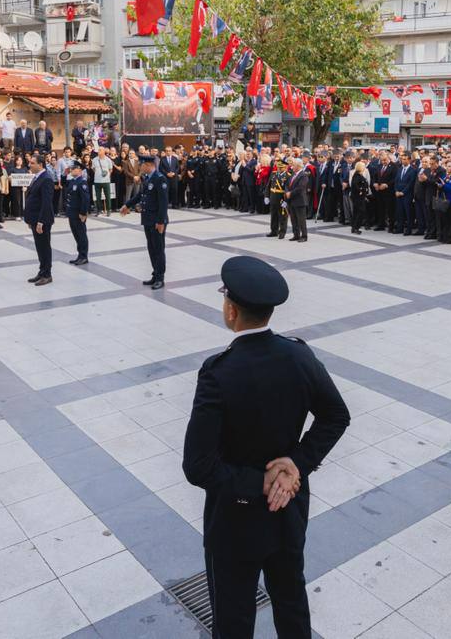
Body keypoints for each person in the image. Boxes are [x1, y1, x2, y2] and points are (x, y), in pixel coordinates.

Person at [182, 256, 350, 638]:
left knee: (233, 618)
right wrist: (295, 465)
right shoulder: (299, 355)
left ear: (230, 310)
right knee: (291, 604)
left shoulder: (219, 372)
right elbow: (336, 416)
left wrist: (260, 482)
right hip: (288, 508)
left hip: (235, 520)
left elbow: (198, 465)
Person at [120, 154, 170, 289]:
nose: (140, 167)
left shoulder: (160, 178)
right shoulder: (147, 178)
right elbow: (140, 195)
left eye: (141, 165)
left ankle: (160, 278)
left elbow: (163, 202)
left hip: (157, 221)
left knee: (158, 250)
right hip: (147, 219)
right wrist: (127, 205)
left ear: (148, 165)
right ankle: (155, 274)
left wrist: (161, 222)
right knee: (152, 249)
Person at [24, 154, 55, 285]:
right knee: (39, 247)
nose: (29, 165)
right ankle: (42, 271)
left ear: (40, 165)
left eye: (32, 163)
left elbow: (46, 203)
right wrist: (30, 220)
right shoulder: (37, 177)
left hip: (42, 220)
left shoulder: (46, 179)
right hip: (35, 219)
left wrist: (41, 221)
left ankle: (47, 274)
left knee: (44, 247)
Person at [64, 160, 91, 266]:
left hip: (78, 213)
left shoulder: (82, 182)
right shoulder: (73, 181)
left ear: (79, 170)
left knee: (81, 235)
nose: (71, 170)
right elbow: (64, 184)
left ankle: (84, 256)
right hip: (72, 213)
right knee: (76, 235)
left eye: (73, 168)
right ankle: (80, 255)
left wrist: (83, 213)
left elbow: (85, 199)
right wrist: (64, 174)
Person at [285, 156, 310, 242]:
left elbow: (300, 188)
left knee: (301, 220)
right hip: (292, 200)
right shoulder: (293, 174)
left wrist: (290, 193)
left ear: (298, 166)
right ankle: (296, 235)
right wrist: (287, 191)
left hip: (300, 201)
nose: (292, 167)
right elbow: (287, 184)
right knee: (293, 219)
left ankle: (304, 236)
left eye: (294, 165)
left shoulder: (303, 175)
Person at [349, 159, 371, 234]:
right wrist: (362, 191)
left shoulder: (358, 175)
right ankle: (356, 227)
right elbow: (357, 186)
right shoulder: (357, 176)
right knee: (360, 212)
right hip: (358, 197)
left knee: (356, 212)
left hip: (359, 197)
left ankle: (354, 227)